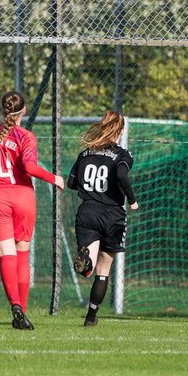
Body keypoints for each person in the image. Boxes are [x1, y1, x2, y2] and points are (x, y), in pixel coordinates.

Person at [0, 90, 64, 330]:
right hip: (22, 197)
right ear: (23, 111)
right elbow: (29, 167)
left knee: (6, 254)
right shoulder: (26, 136)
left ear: (3, 111)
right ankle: (22, 313)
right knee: (22, 255)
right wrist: (54, 178)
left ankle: (15, 305)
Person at [67, 111, 139, 327]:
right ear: (121, 130)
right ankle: (91, 316)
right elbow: (121, 175)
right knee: (103, 270)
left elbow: (71, 183)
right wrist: (132, 200)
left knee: (89, 259)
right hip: (112, 215)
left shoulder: (85, 154)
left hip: (87, 211)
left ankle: (85, 263)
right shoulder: (122, 155)